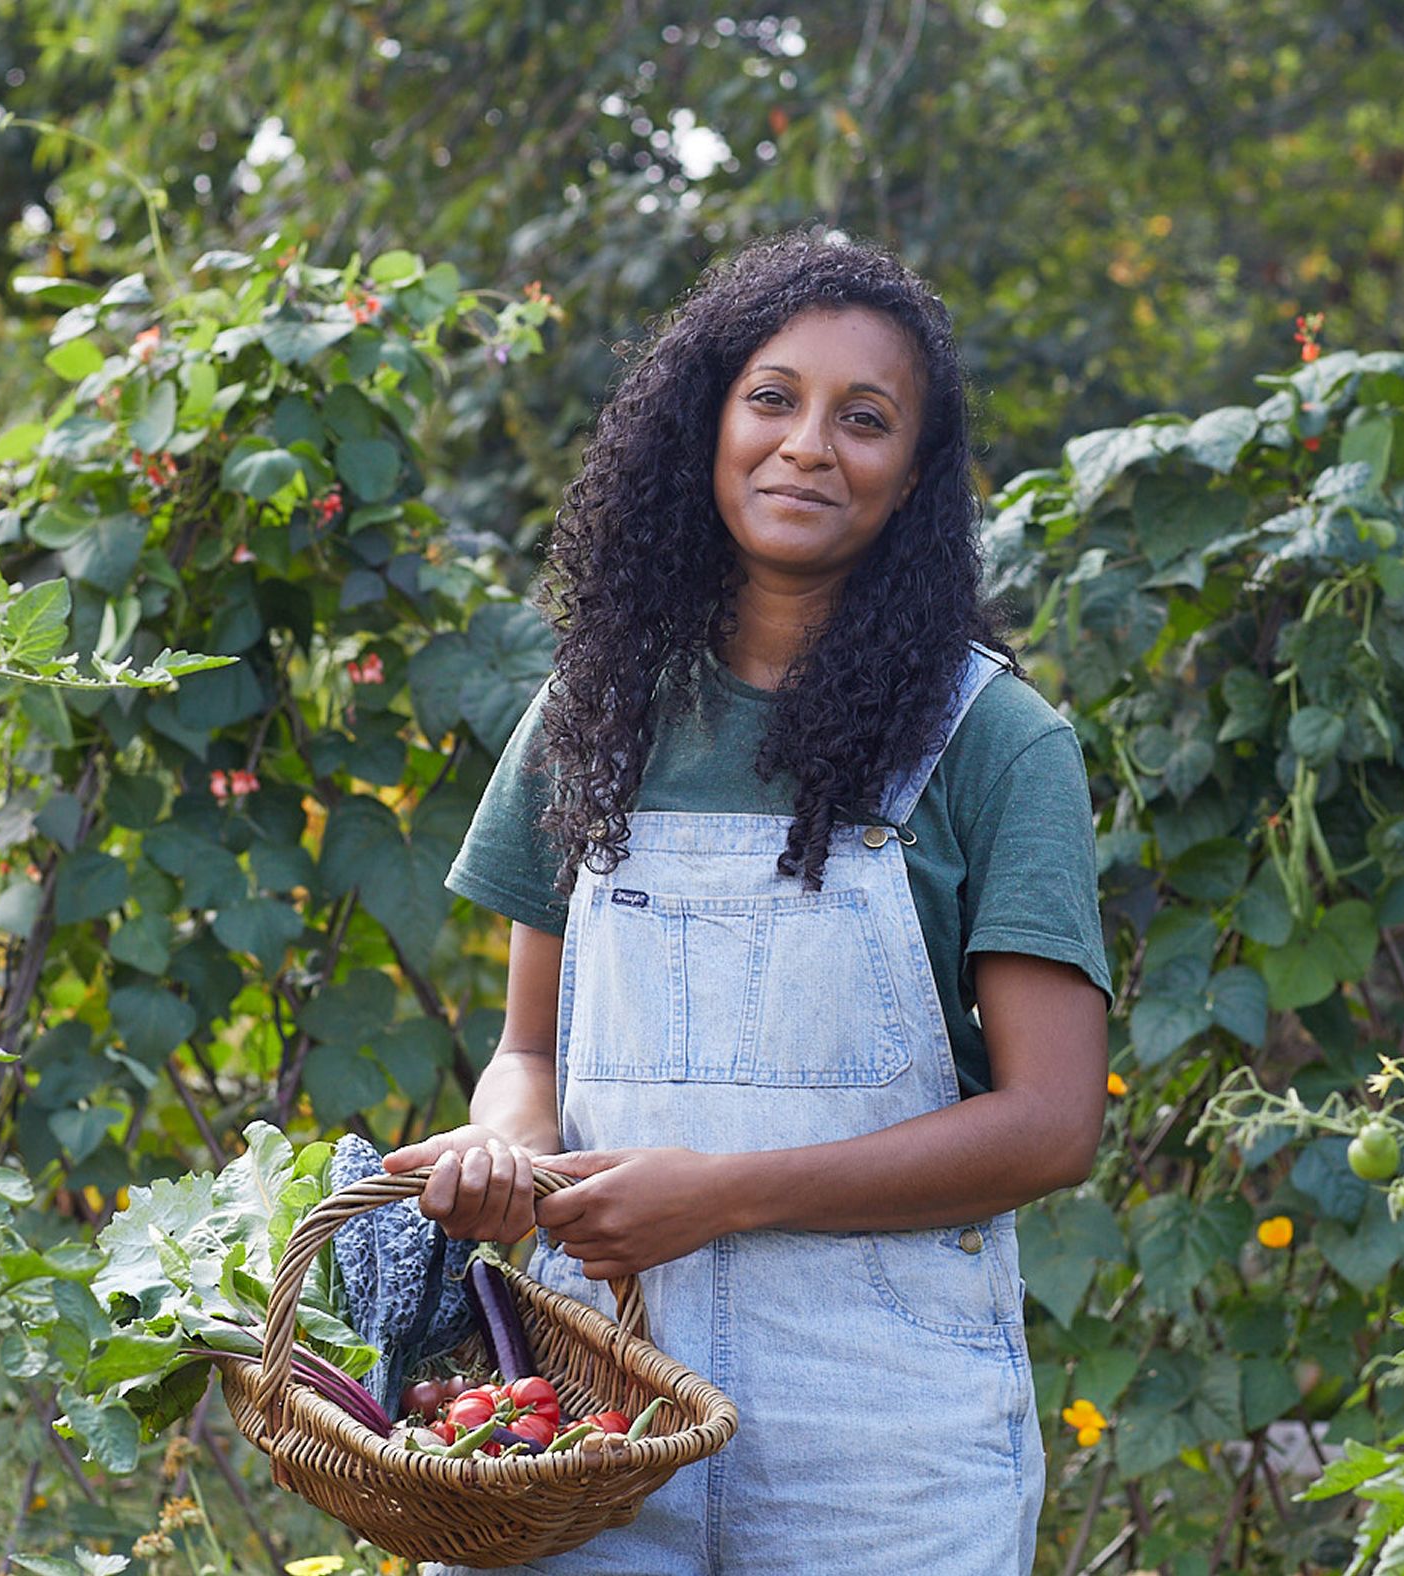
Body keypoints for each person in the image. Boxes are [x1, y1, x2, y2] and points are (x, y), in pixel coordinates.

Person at [382, 232, 1111, 1575]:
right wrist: (506, 1152)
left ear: (912, 482)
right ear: (705, 424)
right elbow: (528, 1055)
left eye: (866, 419)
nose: (808, 447)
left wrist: (724, 1195)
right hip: (593, 1403)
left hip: (887, 1437)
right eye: (773, 399)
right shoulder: (589, 719)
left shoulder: (998, 744)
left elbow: (1053, 1124)